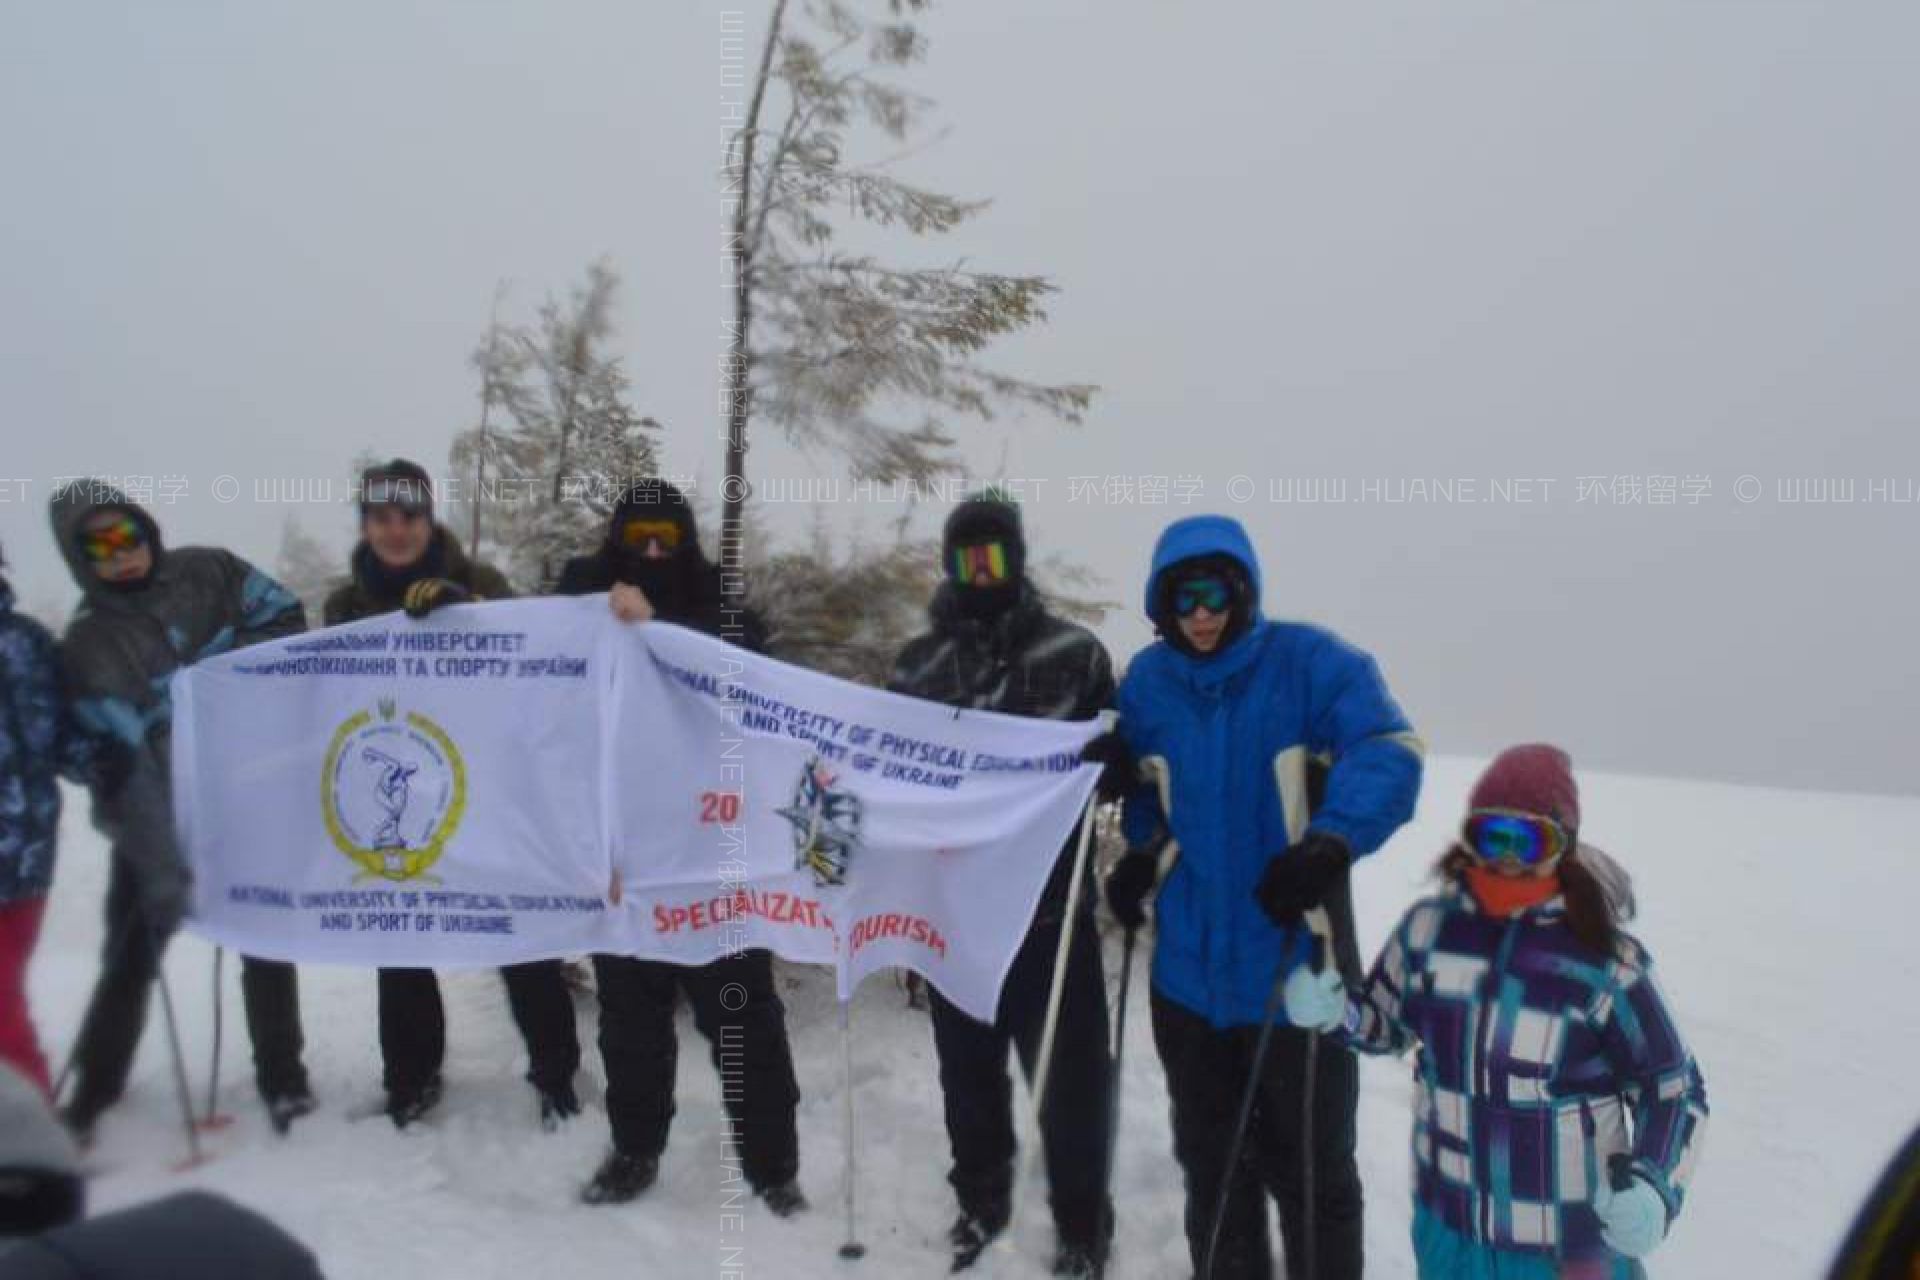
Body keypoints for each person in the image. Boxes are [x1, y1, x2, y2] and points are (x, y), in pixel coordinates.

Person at [1105, 514, 1424, 1280]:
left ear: (1244, 591)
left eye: (1216, 594)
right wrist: (1140, 857)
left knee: (1313, 1177)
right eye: (1183, 600)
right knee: (1214, 1174)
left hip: (1297, 982)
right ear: (1162, 607)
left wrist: (1330, 841)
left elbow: (1388, 750)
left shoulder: (1309, 664)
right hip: (1187, 985)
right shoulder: (1149, 683)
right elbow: (1151, 793)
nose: (1202, 615)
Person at [1285, 744, 1709, 1279]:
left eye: (1529, 840)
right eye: (1493, 836)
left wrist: (1654, 1184)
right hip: (1452, 1242)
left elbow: (1673, 1089)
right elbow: (1385, 1025)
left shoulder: (1606, 962)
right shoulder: (1429, 933)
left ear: (1564, 846)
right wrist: (1338, 1011)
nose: (1508, 858)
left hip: (1569, 1254)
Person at [555, 480, 805, 1215]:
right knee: (630, 1026)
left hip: (713, 857)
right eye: (640, 539)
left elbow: (753, 663)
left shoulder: (718, 604)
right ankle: (634, 1149)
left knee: (743, 1020)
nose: (656, 550)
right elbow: (517, 669)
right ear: (619, 544)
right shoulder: (578, 607)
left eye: (668, 535)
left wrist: (658, 622)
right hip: (624, 861)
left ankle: (773, 1167)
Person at [887, 494, 1117, 1276]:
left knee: (1072, 1084)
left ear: (1018, 561)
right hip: (955, 915)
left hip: (1050, 915)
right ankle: (980, 1203)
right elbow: (891, 773)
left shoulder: (1074, 655)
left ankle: (1084, 1226)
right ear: (949, 566)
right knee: (968, 1078)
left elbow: (1117, 756)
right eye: (966, 561)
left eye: (995, 558)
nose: (981, 574)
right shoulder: (917, 666)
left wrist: (1111, 770)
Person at [322, 459, 582, 1129]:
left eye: (409, 515)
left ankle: (557, 1076)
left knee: (517, 935)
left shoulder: (478, 581)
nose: (397, 529)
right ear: (367, 525)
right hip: (400, 791)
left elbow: (529, 660)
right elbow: (326, 690)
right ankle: (410, 1081)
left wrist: (465, 615)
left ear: (427, 519)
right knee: (399, 941)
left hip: (486, 787)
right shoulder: (346, 604)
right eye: (382, 517)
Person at [48, 481, 313, 1141]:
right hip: (155, 813)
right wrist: (159, 859)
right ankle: (93, 1092)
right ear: (81, 557)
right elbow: (116, 764)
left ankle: (283, 1078)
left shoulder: (207, 571)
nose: (122, 555)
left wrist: (221, 682)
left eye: (127, 535)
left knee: (263, 942)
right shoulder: (89, 641)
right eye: (100, 546)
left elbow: (283, 617)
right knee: (132, 952)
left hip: (240, 792)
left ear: (146, 529)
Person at [1, 547, 116, 1097]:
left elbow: (59, 734)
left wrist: (105, 761)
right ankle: (31, 1123)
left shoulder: (26, 643)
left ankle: (27, 1132)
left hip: (25, 858)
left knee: (6, 997)